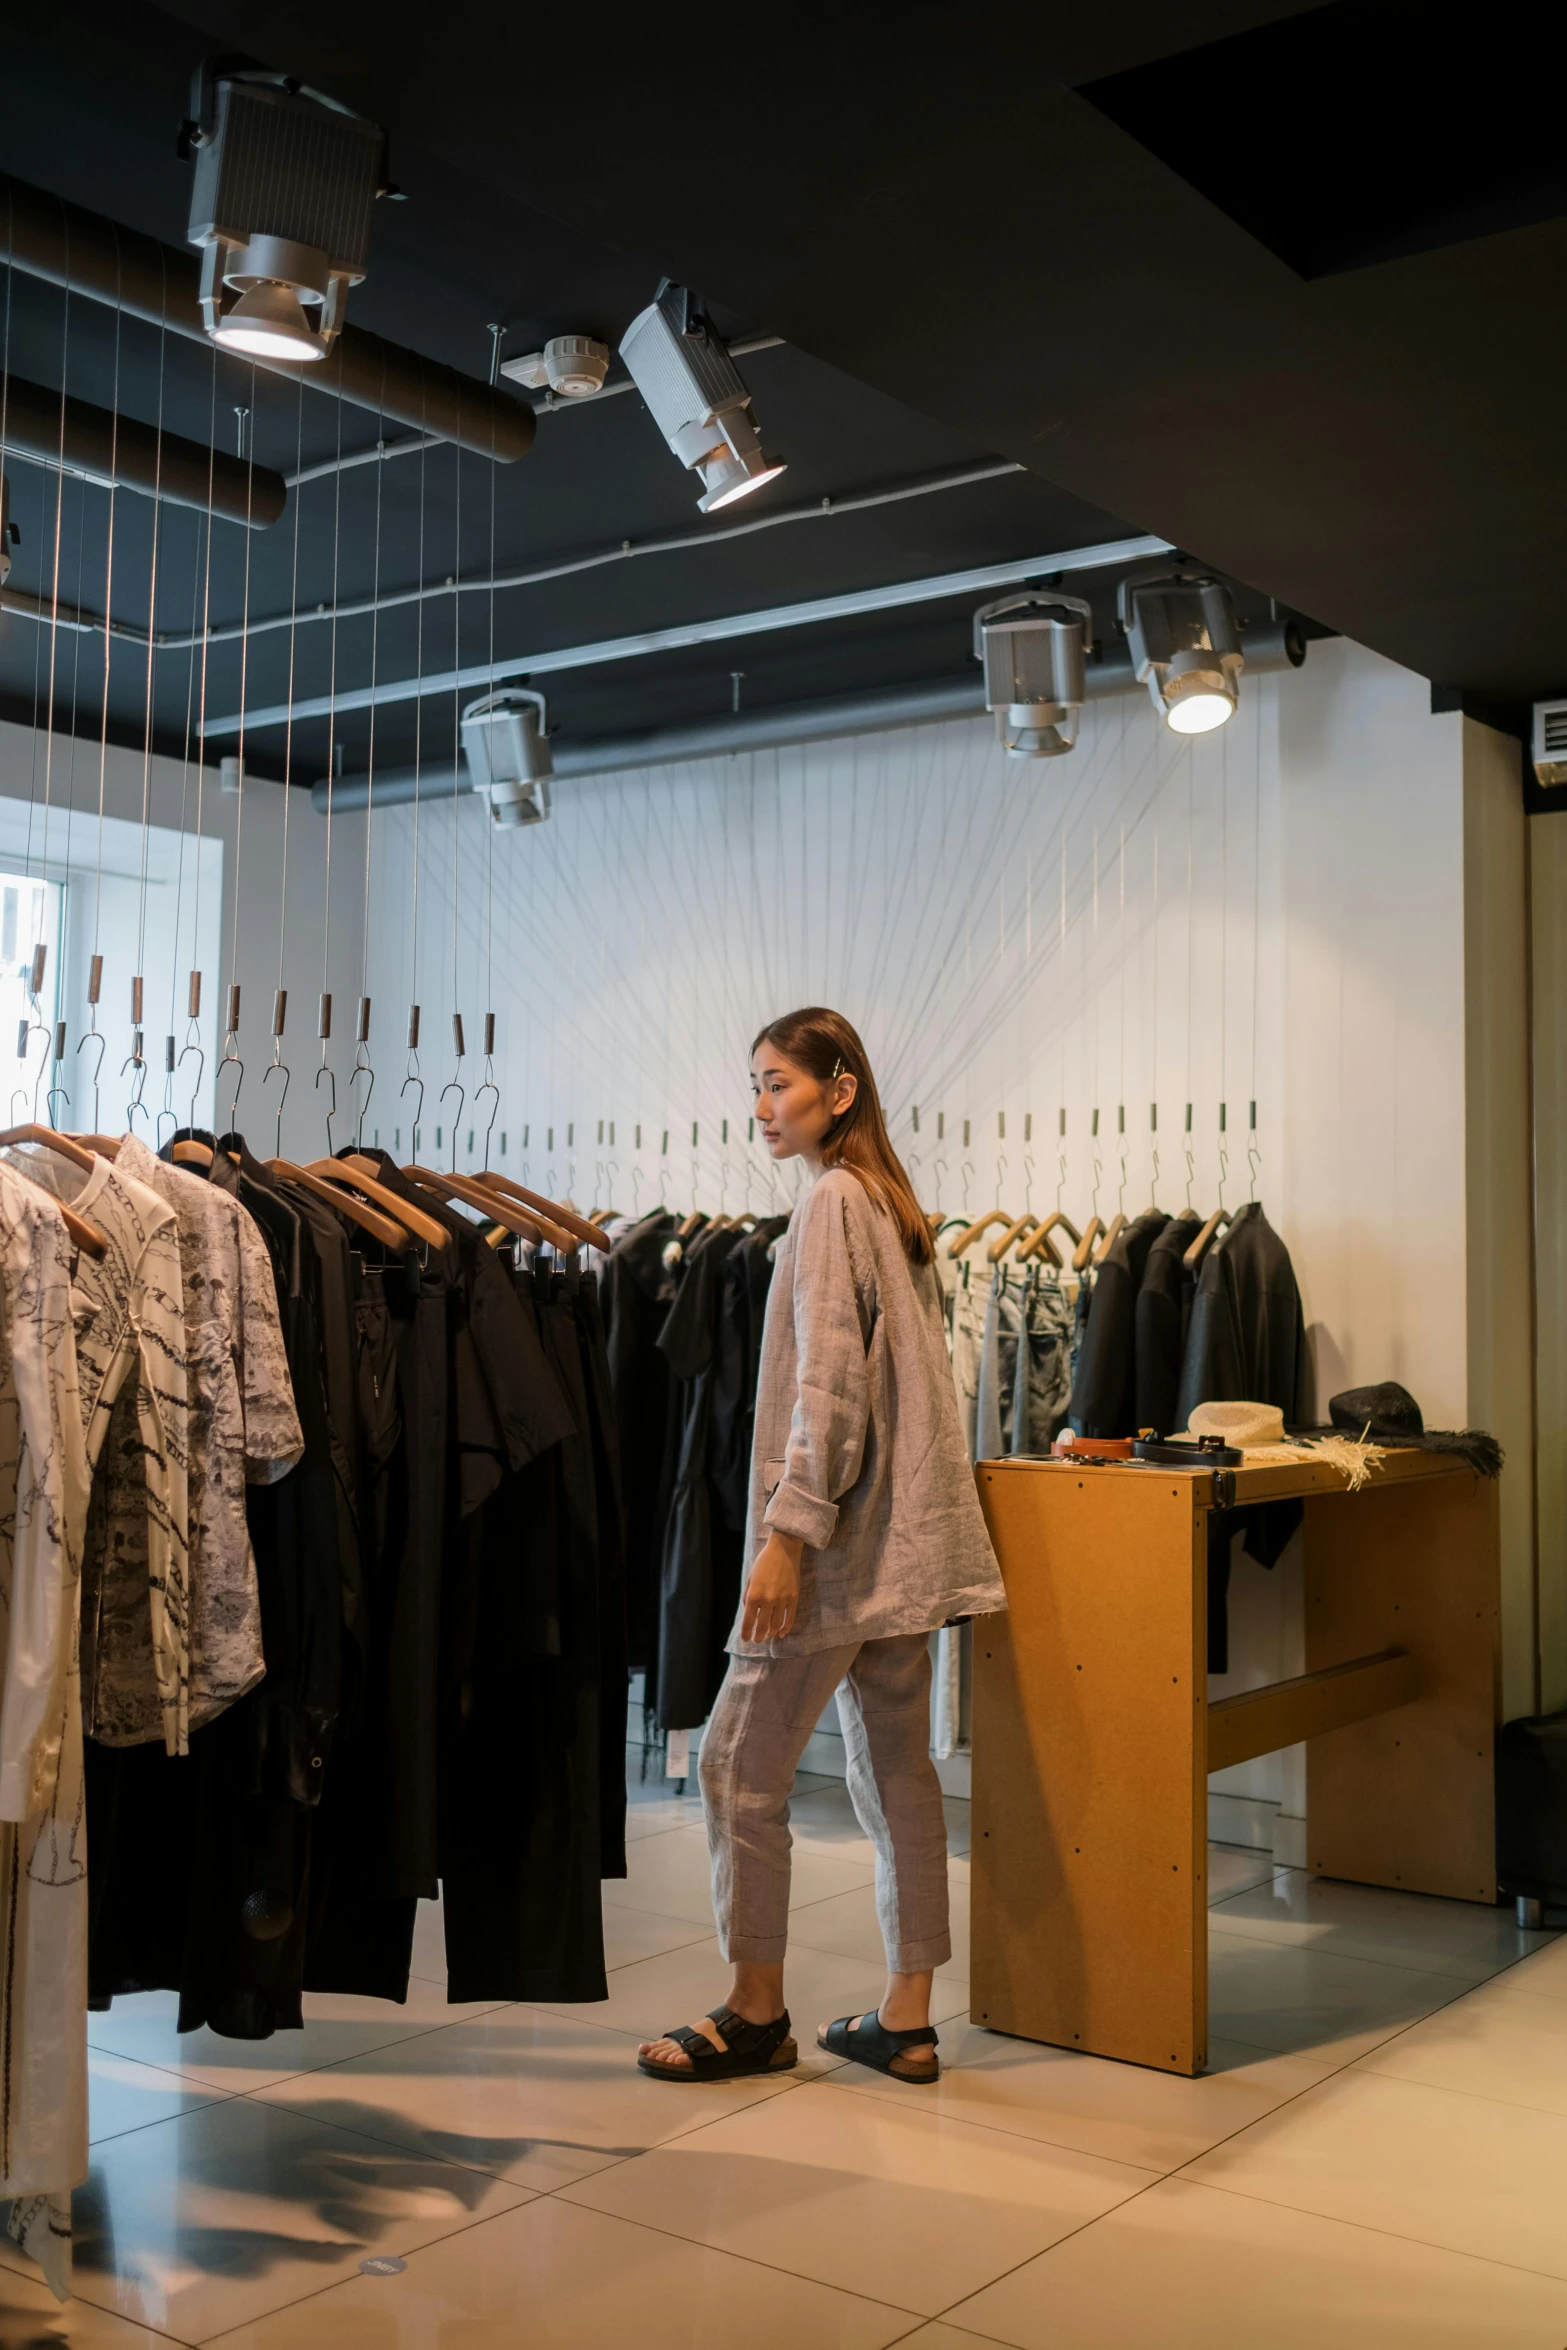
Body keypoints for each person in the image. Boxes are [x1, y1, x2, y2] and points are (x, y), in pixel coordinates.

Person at [638, 1007, 1004, 2086]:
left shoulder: (834, 1203)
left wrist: (787, 1536)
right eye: (753, 1086)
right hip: (902, 1552)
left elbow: (831, 1390)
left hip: (837, 1547)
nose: (761, 1107)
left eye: (777, 1084)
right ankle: (905, 2015)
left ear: (839, 1090)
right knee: (897, 1772)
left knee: (733, 1765)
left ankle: (754, 2011)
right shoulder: (888, 1201)